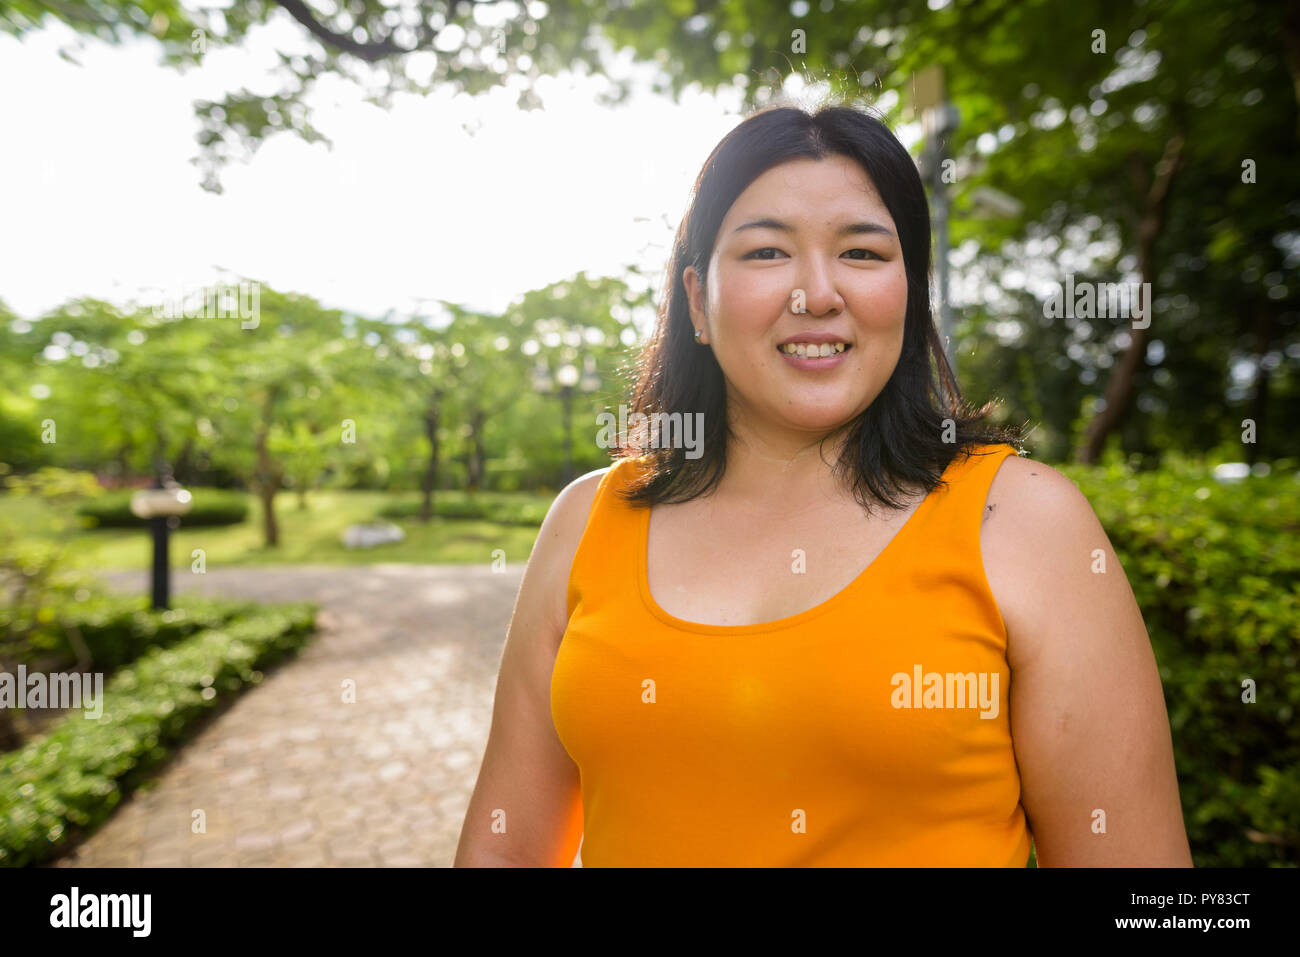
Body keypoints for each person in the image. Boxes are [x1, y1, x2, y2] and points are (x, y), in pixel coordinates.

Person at [454, 101, 1192, 867]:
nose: (816, 292)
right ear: (698, 302)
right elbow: (504, 853)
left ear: (910, 294)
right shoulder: (587, 518)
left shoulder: (1026, 522)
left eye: (863, 254)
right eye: (768, 252)